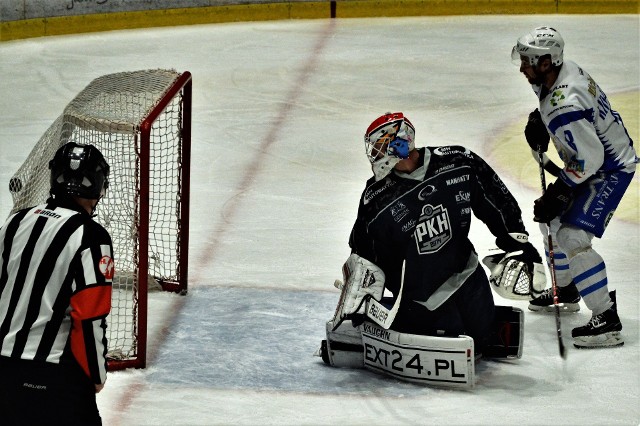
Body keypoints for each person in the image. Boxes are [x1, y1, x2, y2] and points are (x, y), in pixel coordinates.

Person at [342, 112, 544, 355]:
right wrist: (364, 300)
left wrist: (517, 242)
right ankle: (394, 314)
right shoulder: (376, 198)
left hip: (467, 275)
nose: (374, 155)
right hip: (418, 297)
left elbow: (496, 199)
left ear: (399, 143)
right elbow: (363, 252)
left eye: (379, 147)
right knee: (453, 336)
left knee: (481, 339)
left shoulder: (458, 162)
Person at [512, 26, 637, 348]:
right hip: (594, 162)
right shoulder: (561, 72)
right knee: (551, 223)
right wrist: (537, 119)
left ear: (546, 62)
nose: (523, 67)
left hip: (610, 169)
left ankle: (606, 319)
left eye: (529, 61)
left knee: (571, 236)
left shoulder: (563, 101)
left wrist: (561, 190)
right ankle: (565, 289)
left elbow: (590, 158)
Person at [0, 142, 113, 425]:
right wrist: (96, 374)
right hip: (49, 376)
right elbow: (88, 318)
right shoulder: (92, 237)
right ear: (98, 187)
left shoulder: (15, 222)